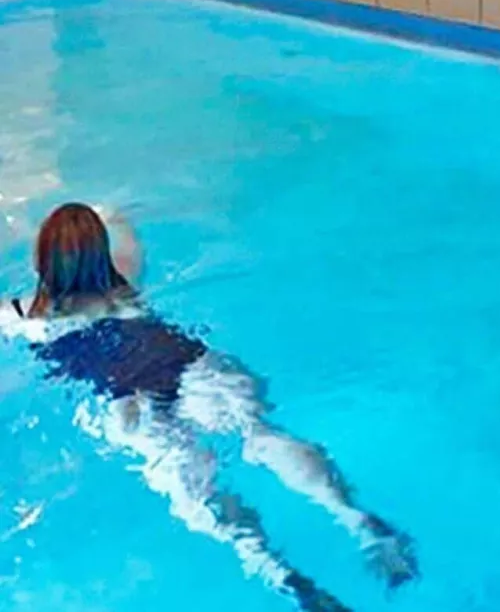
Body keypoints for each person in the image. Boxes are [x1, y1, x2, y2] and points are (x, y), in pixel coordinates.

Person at [1, 203, 417, 612]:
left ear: (41, 261)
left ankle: (282, 575)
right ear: (101, 255)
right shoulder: (123, 282)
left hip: (129, 400)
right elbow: (124, 227)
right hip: (188, 365)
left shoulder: (19, 315)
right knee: (260, 435)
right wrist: (108, 213)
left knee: (196, 495)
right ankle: (358, 520)